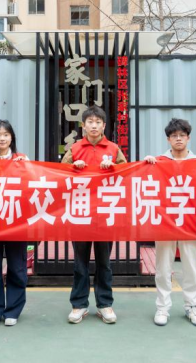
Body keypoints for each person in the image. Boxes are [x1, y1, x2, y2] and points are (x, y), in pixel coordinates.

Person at [62, 105, 127, 324]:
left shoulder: (113, 148)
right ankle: (79, 305)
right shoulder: (74, 148)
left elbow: (127, 173)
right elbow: (59, 173)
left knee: (104, 263)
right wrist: (73, 166)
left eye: (98, 122)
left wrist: (113, 167)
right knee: (80, 263)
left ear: (104, 126)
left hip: (105, 213)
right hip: (80, 212)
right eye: (90, 122)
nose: (94, 126)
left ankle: (105, 304)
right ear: (83, 125)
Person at [144, 118, 196, 327]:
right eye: (174, 136)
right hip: (166, 221)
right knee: (163, 268)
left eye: (182, 135)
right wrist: (147, 165)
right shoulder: (158, 162)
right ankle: (162, 307)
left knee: (191, 267)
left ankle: (192, 306)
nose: (178, 139)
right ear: (168, 139)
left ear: (188, 138)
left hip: (190, 221)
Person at [0, 119, 29, 328]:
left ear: (12, 138)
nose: (2, 138)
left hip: (16, 222)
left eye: (6, 135)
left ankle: (13, 310)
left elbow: (31, 188)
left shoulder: (22, 160)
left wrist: (27, 167)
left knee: (17, 268)